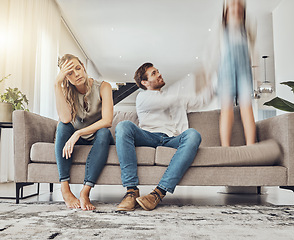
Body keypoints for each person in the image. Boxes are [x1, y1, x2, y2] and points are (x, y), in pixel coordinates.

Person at [115, 62, 214, 211]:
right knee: (123, 126)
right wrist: (192, 79)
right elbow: (165, 101)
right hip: (148, 137)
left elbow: (201, 101)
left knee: (193, 134)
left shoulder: (175, 97)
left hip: (172, 139)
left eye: (158, 71)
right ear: (145, 82)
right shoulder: (143, 97)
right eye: (154, 73)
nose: (159, 74)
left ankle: (157, 194)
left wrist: (211, 84)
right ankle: (131, 192)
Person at [54, 54, 114, 210]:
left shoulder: (104, 86)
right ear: (66, 78)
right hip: (77, 136)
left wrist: (78, 133)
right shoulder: (67, 92)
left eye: (78, 68)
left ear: (83, 67)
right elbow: (66, 119)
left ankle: (85, 192)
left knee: (104, 132)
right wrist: (57, 84)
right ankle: (65, 189)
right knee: (62, 126)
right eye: (70, 74)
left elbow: (107, 120)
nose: (77, 74)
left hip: (96, 136)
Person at [218, 0, 256, 146]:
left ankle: (251, 147)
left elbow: (252, 50)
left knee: (247, 106)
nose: (236, 8)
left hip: (244, 71)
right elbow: (213, 54)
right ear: (226, 12)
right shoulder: (221, 31)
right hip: (226, 71)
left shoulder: (247, 29)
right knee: (226, 107)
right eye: (232, 5)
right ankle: (225, 149)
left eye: (239, 6)